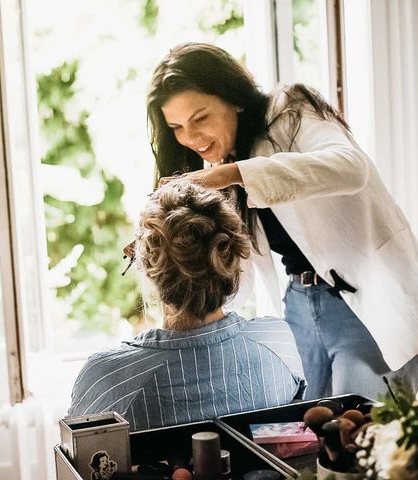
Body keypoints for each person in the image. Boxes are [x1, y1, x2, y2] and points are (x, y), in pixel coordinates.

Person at [142, 42, 418, 400]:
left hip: (361, 299)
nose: (191, 138)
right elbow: (237, 276)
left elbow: (352, 168)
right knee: (304, 431)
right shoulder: (226, 164)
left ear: (234, 98)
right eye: (177, 127)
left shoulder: (290, 109)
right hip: (299, 303)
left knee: (362, 435)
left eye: (200, 118)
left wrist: (233, 174)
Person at [68, 181, 306, 431]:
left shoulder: (107, 378)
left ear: (148, 268)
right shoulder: (278, 343)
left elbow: (76, 463)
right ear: (232, 259)